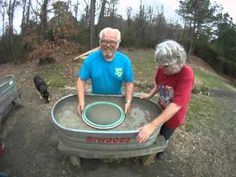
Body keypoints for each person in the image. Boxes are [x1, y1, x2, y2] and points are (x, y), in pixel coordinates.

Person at [137, 40, 194, 144]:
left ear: (178, 61)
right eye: (160, 64)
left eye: (166, 66)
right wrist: (150, 95)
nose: (161, 69)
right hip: (160, 109)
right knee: (152, 135)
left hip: (173, 117)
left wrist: (153, 125)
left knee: (162, 139)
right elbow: (159, 84)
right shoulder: (162, 69)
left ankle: (160, 151)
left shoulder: (187, 74)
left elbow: (176, 105)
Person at [76, 27, 134, 115]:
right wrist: (81, 101)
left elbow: (129, 83)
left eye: (112, 42)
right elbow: (81, 80)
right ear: (100, 42)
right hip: (95, 98)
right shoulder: (91, 59)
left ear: (118, 44)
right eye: (104, 41)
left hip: (117, 100)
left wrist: (128, 102)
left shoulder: (125, 61)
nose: (107, 45)